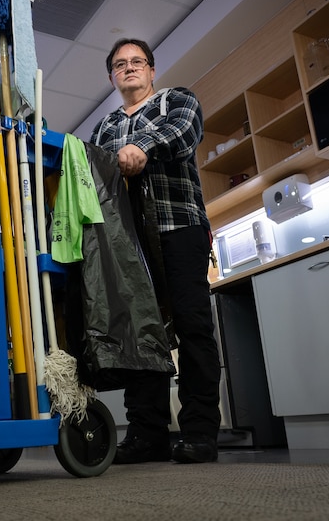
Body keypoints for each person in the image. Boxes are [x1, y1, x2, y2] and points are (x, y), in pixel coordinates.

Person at [92, 39, 221, 464]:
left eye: (137, 62)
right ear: (112, 76)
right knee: (141, 335)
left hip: (178, 226)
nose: (129, 69)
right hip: (128, 244)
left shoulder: (175, 100)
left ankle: (200, 431)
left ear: (150, 70)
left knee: (192, 326)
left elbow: (183, 133)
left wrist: (141, 147)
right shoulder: (104, 126)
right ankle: (147, 434)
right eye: (120, 65)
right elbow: (88, 169)